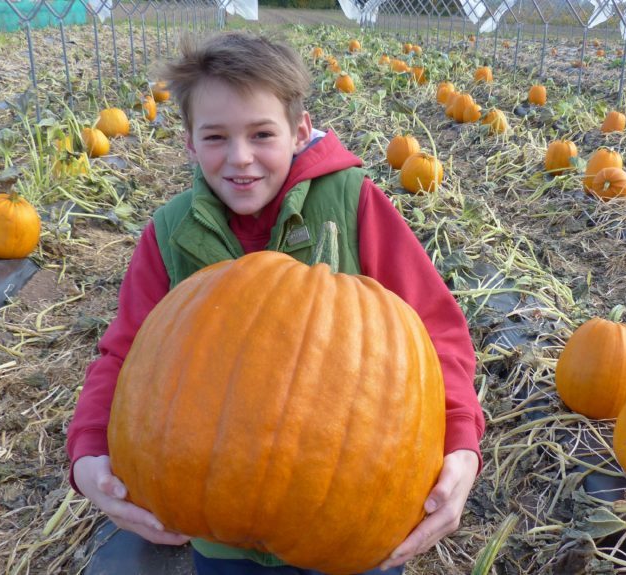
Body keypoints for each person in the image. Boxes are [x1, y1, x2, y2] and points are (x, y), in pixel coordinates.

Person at [66, 31, 485, 575]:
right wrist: (89, 451)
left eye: (261, 134)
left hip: (349, 510)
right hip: (211, 515)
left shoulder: (354, 203)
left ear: (299, 132)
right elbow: (122, 352)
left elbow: (437, 331)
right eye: (215, 137)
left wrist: (461, 441)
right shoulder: (169, 234)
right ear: (189, 143)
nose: (240, 158)